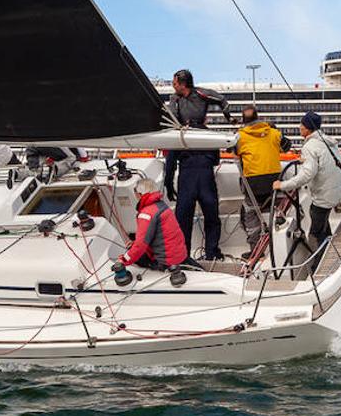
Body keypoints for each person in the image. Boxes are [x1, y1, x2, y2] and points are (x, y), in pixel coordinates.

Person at [163, 69, 232, 260]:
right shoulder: (207, 134)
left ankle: (184, 256)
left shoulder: (181, 134)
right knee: (212, 217)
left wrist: (169, 183)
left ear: (182, 83)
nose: (172, 85)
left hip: (187, 177)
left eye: (174, 82)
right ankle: (211, 253)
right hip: (205, 175)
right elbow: (216, 158)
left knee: (183, 220)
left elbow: (170, 160)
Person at [273, 111, 341, 258]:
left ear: (307, 128)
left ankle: (317, 263)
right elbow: (323, 162)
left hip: (323, 198)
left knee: (315, 232)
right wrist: (306, 161)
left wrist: (282, 185)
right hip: (335, 192)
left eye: (302, 125)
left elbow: (306, 175)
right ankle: (329, 245)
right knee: (323, 223)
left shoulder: (310, 147)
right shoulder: (327, 141)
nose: (299, 127)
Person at [233, 105, 290, 251]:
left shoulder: (240, 136)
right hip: (274, 182)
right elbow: (287, 146)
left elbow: (231, 150)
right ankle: (280, 242)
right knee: (279, 206)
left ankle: (256, 249)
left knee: (250, 213)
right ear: (258, 117)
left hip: (253, 184)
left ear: (243, 120)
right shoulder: (273, 133)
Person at [117, 178, 188, 270]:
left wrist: (123, 260)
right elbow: (160, 236)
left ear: (139, 194)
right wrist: (135, 244)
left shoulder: (146, 214)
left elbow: (140, 245)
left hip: (165, 262)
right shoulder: (162, 206)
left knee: (133, 254)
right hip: (180, 255)